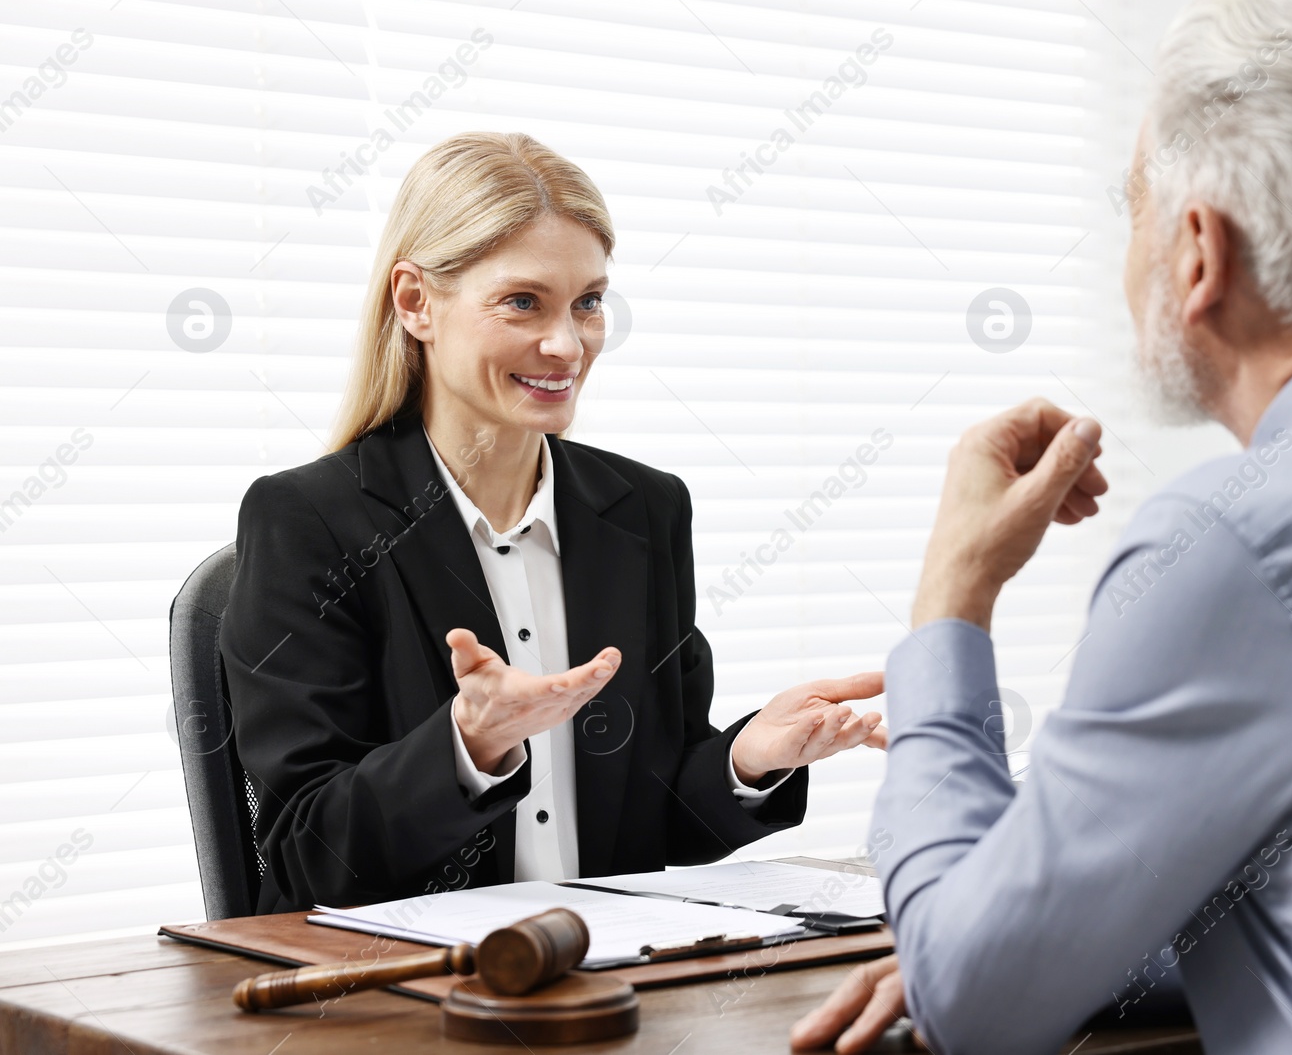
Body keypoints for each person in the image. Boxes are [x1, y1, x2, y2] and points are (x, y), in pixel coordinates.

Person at [794, 0, 1292, 1052]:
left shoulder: (1241, 539)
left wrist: (953, 589)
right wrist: (1056, 937)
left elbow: (977, 1006)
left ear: (1197, 252)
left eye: (1130, 207)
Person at [222, 133, 886, 914]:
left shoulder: (644, 509)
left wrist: (748, 757)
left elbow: (654, 817)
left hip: (605, 988)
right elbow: (307, 859)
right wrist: (467, 748)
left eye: (589, 303)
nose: (567, 345)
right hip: (405, 1000)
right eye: (522, 302)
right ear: (415, 303)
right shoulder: (308, 520)